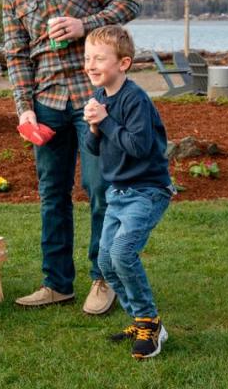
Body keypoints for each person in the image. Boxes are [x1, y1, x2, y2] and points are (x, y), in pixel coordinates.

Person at [3, 0, 140, 313]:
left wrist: (86, 25)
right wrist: (24, 109)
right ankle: (56, 283)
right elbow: (15, 56)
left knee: (100, 189)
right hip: (45, 105)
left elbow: (129, 5)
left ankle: (104, 279)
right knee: (51, 196)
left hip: (93, 102)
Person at [81, 25, 173, 359]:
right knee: (105, 261)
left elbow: (138, 146)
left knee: (122, 254)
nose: (91, 64)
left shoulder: (135, 99)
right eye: (88, 57)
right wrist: (94, 127)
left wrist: (104, 122)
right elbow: (94, 148)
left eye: (99, 58)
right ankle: (141, 319)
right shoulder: (101, 98)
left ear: (124, 63)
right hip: (118, 193)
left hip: (147, 191)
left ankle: (150, 323)